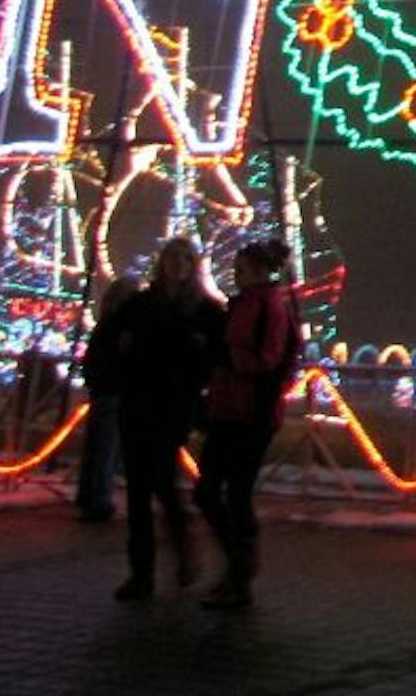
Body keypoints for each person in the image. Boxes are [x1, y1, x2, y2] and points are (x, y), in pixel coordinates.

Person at [109, 237, 221, 602]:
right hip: (137, 403)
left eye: (185, 258)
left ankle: (181, 548)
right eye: (172, 257)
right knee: (139, 491)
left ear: (194, 265)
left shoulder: (205, 311)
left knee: (160, 478)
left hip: (174, 406)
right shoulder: (139, 305)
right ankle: (142, 572)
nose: (178, 263)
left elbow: (214, 359)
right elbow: (115, 345)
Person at [195, 238, 299, 609]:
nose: (234, 275)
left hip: (250, 413)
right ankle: (238, 566)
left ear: (257, 272)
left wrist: (228, 355)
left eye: (240, 269)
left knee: (232, 493)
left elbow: (268, 359)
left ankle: (239, 572)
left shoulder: (269, 308)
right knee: (212, 491)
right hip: (226, 408)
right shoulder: (245, 305)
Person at [75, 276, 140, 523]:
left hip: (101, 389)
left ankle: (87, 493)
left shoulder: (104, 323)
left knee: (95, 445)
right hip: (116, 390)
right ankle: (100, 498)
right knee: (107, 448)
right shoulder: (124, 327)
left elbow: (91, 359)